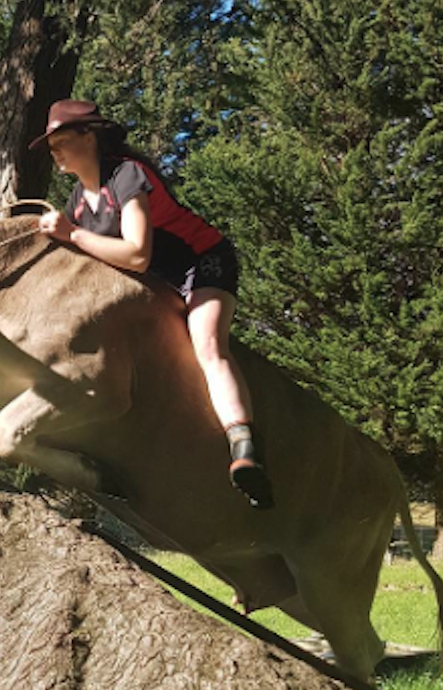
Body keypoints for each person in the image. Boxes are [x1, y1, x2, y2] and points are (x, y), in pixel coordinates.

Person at [31, 98, 274, 510]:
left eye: (59, 140)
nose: (53, 150)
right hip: (157, 283)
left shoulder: (127, 175)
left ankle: (244, 447)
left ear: (89, 137)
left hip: (202, 263)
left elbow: (136, 254)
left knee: (207, 346)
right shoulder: (78, 198)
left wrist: (71, 234)